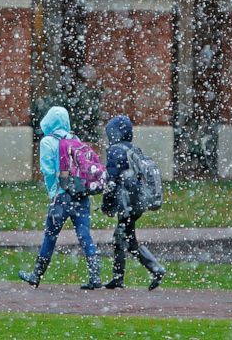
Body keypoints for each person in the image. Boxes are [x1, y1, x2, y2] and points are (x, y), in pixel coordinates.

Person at [18, 105, 103, 289]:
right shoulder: (75, 139)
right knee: (84, 235)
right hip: (81, 195)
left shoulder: (47, 142)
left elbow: (47, 171)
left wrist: (54, 193)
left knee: (50, 236)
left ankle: (36, 275)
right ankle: (95, 275)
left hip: (62, 197)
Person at [101, 114, 166, 290]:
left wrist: (106, 204)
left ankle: (153, 269)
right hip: (138, 200)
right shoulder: (133, 149)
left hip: (127, 201)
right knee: (125, 238)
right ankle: (120, 277)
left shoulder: (115, 150)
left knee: (124, 238)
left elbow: (112, 180)